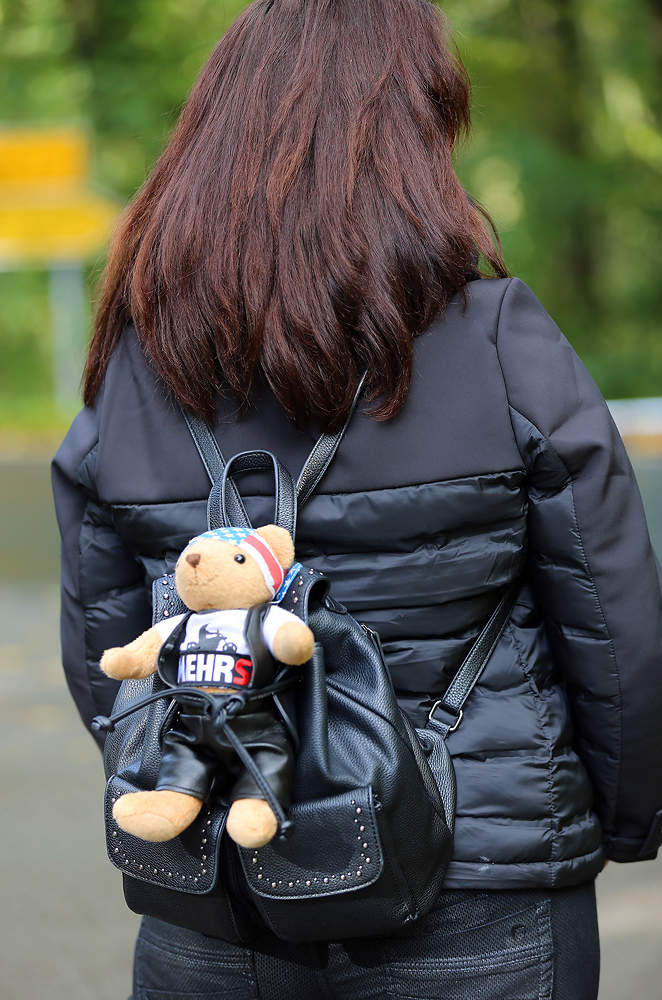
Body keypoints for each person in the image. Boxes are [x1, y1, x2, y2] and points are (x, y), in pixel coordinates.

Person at [52, 1, 662, 998]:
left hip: (222, 885)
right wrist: (631, 814)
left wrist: (188, 784)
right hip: (477, 874)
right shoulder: (498, 342)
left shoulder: (132, 367)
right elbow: (610, 615)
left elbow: (105, 650)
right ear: (416, 138)